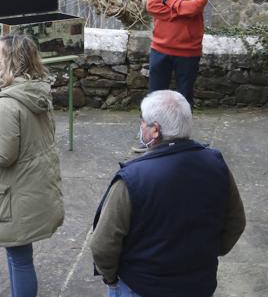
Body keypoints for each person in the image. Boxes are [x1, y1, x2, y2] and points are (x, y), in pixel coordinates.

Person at [91, 90, 246, 297]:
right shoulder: (217, 165)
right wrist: (207, 255)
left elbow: (103, 244)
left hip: (141, 286)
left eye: (142, 122)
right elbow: (236, 222)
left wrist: (110, 278)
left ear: (155, 130)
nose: (140, 126)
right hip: (198, 284)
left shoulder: (132, 178)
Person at [0, 34, 64, 297]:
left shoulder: (7, 104)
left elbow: (3, 155)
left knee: (19, 259)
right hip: (34, 186)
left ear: (11, 62)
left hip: (16, 194)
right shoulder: (37, 89)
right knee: (20, 254)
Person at [134, 0, 212, 154]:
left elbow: (195, 9)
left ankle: (181, 145)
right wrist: (181, 7)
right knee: (154, 98)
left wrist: (169, 2)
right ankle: (148, 141)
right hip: (160, 47)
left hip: (188, 50)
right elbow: (151, 6)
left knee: (184, 100)